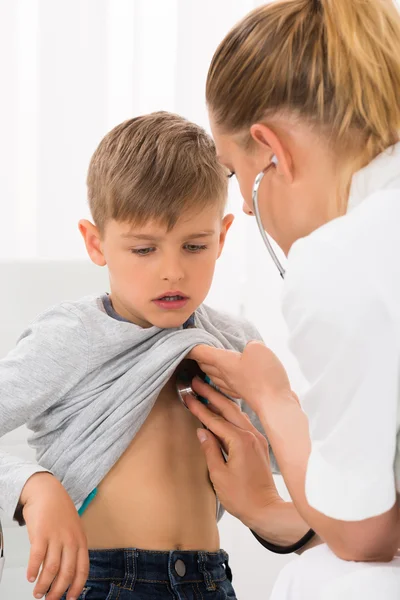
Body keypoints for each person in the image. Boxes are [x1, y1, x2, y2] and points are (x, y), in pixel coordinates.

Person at [0, 112, 274, 600]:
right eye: (144, 250)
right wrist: (33, 484)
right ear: (95, 242)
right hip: (100, 581)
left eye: (194, 245)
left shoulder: (234, 343)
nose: (173, 271)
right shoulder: (71, 336)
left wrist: (271, 399)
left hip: (210, 582)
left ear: (224, 236)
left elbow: (295, 462)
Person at [185, 0, 400, 598]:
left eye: (234, 176)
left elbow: (365, 537)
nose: (246, 210)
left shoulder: (341, 257)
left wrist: (271, 397)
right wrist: (274, 512)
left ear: (270, 151)